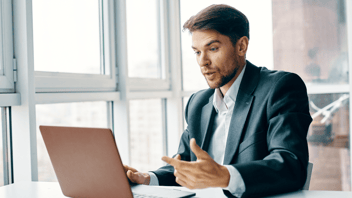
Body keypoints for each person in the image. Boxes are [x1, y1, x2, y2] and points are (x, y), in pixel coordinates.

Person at [124, 4, 312, 198]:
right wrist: (146, 178)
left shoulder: (280, 87)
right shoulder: (198, 103)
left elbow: (291, 164)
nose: (202, 61)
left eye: (212, 48)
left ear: (241, 46)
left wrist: (224, 176)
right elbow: (186, 166)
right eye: (197, 52)